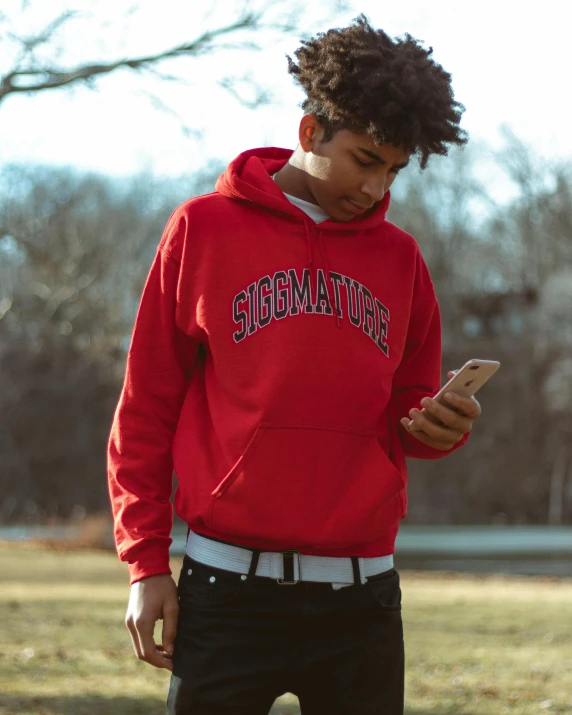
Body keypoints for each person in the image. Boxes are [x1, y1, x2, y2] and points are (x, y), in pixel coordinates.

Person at [108, 15, 482, 715]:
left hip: (363, 597)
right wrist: (145, 561)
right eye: (365, 160)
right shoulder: (203, 229)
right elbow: (146, 407)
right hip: (225, 590)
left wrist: (442, 425)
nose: (376, 188)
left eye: (394, 170)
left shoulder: (400, 259)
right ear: (311, 132)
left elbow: (410, 411)